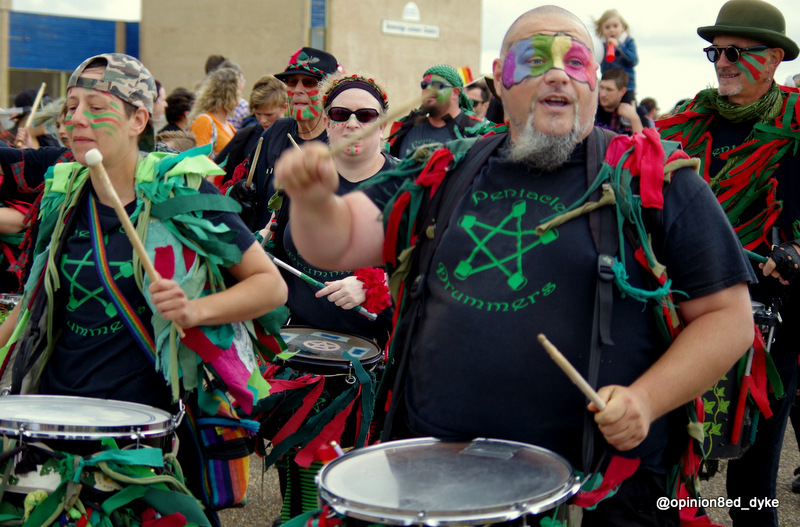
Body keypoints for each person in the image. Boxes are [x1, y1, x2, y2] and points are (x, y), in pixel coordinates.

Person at [274, 5, 756, 525]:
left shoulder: (654, 180)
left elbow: (729, 318)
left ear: (594, 78)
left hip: (593, 496)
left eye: (575, 61)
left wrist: (645, 400)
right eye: (534, 59)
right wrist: (312, 200)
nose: (557, 74)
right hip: (438, 482)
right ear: (500, 78)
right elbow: (337, 243)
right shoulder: (446, 170)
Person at [0, 52, 288, 525]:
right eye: (71, 107)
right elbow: (33, 303)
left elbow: (270, 287)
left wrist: (195, 311)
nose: (76, 119)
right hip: (56, 421)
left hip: (140, 436)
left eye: (96, 107)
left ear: (138, 119)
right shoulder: (63, 195)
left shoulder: (180, 192)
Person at [657, 1, 800, 525]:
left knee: (751, 482)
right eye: (715, 52)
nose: (722, 62)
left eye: (736, 52)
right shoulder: (686, 124)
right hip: (682, 315)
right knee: (672, 467)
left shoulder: (797, 125)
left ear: (775, 58)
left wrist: (796, 252)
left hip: (769, 324)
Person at [231, 47, 339, 232]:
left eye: (309, 82)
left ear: (330, 91)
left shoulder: (339, 140)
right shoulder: (275, 132)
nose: (297, 90)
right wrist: (239, 192)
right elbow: (246, 177)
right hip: (261, 246)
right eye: (292, 82)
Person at [386, 64, 484, 158]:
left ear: (455, 92)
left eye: (437, 85)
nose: (428, 89)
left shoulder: (475, 131)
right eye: (424, 85)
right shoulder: (406, 126)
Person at [216, 74, 288, 185]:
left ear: (284, 107)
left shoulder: (294, 134)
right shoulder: (244, 136)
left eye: (269, 115)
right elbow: (216, 168)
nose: (263, 120)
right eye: (258, 114)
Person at [188, 66, 241, 159]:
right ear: (230, 94)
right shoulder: (204, 121)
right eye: (239, 90)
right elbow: (199, 159)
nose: (241, 96)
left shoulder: (228, 125)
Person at [594, 8, 638, 104]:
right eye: (607, 27)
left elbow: (634, 60)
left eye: (615, 26)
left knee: (626, 108)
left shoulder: (628, 42)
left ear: (622, 27)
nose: (612, 30)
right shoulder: (601, 46)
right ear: (602, 30)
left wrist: (619, 47)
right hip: (608, 87)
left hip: (626, 87)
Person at [595, 68, 650, 134]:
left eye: (609, 90)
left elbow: (645, 140)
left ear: (622, 91)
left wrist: (634, 119)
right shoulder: (593, 109)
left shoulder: (638, 112)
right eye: (601, 87)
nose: (603, 94)